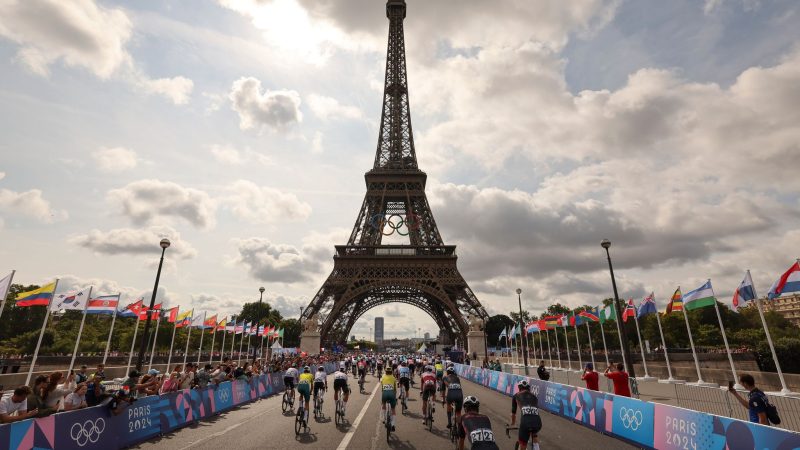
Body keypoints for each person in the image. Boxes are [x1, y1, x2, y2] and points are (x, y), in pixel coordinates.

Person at [510, 380, 542, 450]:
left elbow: (513, 413)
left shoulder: (516, 395)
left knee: (523, 444)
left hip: (525, 423)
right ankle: (537, 447)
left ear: (519, 388)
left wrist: (513, 423)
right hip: (538, 422)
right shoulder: (534, 397)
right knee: (534, 433)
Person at [380, 366, 398, 431]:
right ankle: (393, 424)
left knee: (383, 405)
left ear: (386, 371)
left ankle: (384, 419)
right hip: (392, 394)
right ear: (391, 372)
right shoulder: (393, 378)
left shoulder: (383, 377)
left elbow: (382, 387)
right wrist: (395, 398)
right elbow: (395, 389)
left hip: (385, 393)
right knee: (393, 409)